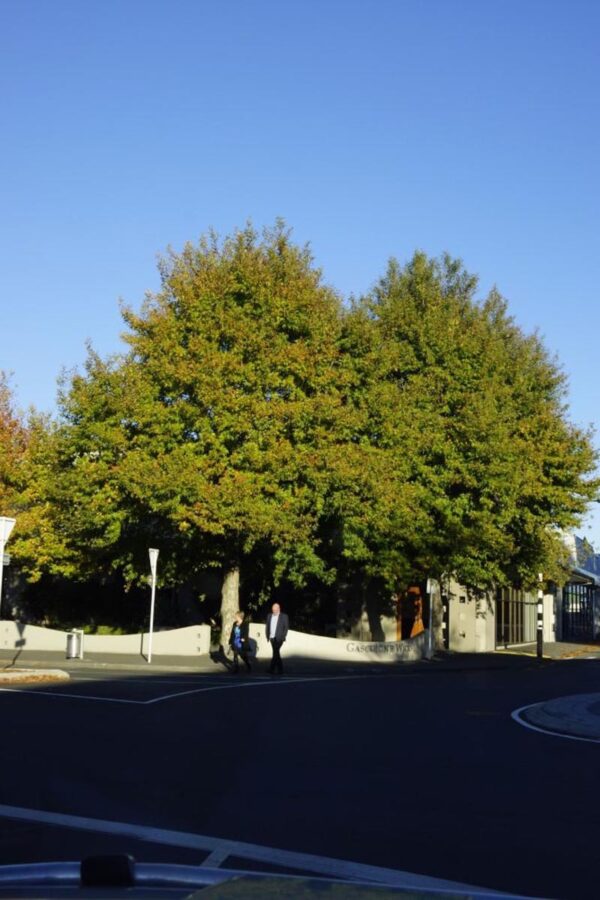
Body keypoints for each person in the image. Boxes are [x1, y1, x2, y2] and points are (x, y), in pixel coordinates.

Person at [265, 602, 289, 674]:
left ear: (279, 609)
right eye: (273, 609)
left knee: (275, 652)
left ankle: (272, 669)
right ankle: (279, 669)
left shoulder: (284, 616)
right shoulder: (269, 616)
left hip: (279, 638)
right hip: (272, 638)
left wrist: (283, 637)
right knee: (276, 653)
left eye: (275, 609)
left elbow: (286, 627)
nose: (274, 611)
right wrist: (267, 635)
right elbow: (267, 626)